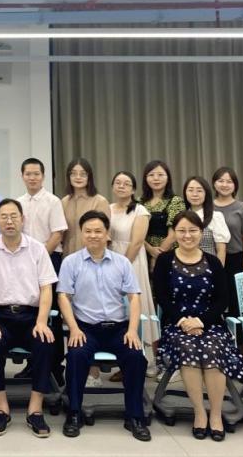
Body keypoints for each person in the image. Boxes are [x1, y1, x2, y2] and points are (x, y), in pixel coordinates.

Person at [153, 210, 243, 442]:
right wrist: (184, 321)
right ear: (174, 233)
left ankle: (215, 414)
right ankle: (199, 412)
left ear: (201, 232)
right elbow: (162, 297)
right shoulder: (165, 261)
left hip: (210, 324)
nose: (187, 235)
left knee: (213, 350)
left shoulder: (213, 262)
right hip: (177, 325)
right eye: (182, 231)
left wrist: (201, 321)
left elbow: (222, 300)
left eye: (192, 230)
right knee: (188, 349)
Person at [58, 210, 151, 441]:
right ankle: (74, 413)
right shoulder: (71, 262)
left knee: (136, 358)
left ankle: (135, 416)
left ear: (107, 233)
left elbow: (134, 297)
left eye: (98, 231)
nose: (93, 235)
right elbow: (63, 297)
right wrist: (74, 328)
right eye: (88, 231)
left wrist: (132, 330)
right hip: (85, 328)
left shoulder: (122, 263)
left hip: (118, 328)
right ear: (81, 233)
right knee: (76, 356)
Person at [0, 198, 58, 439]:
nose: (9, 221)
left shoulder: (37, 249)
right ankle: (1, 407)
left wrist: (41, 321)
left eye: (14, 216)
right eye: (4, 216)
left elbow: (46, 288)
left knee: (45, 342)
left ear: (23, 220)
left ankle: (35, 409)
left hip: (31, 316)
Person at [17, 158, 68, 382]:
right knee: (30, 311)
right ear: (22, 176)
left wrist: (38, 257)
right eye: (28, 174)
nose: (32, 178)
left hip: (49, 259)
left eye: (36, 174)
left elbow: (57, 234)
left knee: (51, 313)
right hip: (22, 262)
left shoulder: (53, 201)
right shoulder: (18, 202)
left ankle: (55, 368)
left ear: (43, 176)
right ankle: (33, 365)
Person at [107, 171, 158, 375]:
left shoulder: (140, 210)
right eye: (118, 182)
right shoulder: (108, 208)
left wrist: (122, 268)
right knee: (117, 308)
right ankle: (124, 360)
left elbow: (137, 242)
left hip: (132, 261)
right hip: (110, 259)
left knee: (138, 305)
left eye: (126, 183)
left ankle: (149, 360)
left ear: (133, 189)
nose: (121, 186)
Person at [211, 167, 243, 354]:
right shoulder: (207, 207)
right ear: (214, 183)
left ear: (235, 185)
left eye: (229, 181)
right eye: (220, 180)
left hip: (236, 262)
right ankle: (217, 353)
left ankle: (240, 357)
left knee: (238, 310)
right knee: (216, 306)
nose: (224, 184)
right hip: (212, 261)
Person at [60, 158, 110, 256]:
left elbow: (106, 235)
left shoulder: (100, 201)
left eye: (83, 174)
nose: (78, 177)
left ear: (89, 177)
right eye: (74, 174)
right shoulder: (64, 202)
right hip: (68, 255)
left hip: (93, 256)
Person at [140, 160, 185, 264]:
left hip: (169, 253)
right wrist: (150, 250)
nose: (156, 178)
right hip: (143, 252)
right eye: (151, 175)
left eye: (160, 175)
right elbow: (135, 233)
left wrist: (158, 256)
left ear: (168, 178)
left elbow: (174, 234)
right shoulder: (139, 202)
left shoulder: (176, 201)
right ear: (145, 179)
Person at [182, 176, 230, 263]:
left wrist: (218, 269)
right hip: (183, 265)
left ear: (206, 193)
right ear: (185, 193)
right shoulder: (181, 217)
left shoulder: (215, 217)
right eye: (190, 190)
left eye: (199, 191)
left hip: (209, 265)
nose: (195, 194)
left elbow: (221, 250)